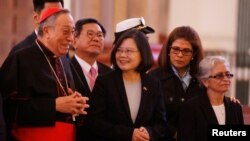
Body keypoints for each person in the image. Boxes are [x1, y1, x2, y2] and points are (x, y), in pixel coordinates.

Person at [0, 8, 89, 141]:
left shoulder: (65, 62)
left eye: (72, 32)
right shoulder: (20, 58)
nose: (71, 38)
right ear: (47, 31)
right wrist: (54, 106)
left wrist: (75, 105)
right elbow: (7, 109)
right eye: (65, 32)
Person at [88, 29, 167, 141]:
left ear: (142, 53)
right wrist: (129, 134)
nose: (122, 55)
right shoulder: (104, 82)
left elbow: (161, 123)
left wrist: (149, 132)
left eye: (129, 51)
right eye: (119, 50)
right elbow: (95, 123)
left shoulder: (153, 84)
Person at [149, 26, 205, 141]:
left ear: (194, 54)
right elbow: (150, 116)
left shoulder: (202, 79)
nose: (180, 55)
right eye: (175, 49)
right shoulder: (153, 78)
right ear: (168, 50)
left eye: (186, 51)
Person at [177, 56, 244, 141]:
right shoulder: (191, 108)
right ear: (205, 81)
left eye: (228, 74)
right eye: (219, 76)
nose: (226, 79)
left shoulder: (235, 107)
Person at [71, 18, 112, 141]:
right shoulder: (65, 70)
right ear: (74, 40)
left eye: (100, 35)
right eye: (90, 34)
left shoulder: (110, 74)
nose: (96, 38)